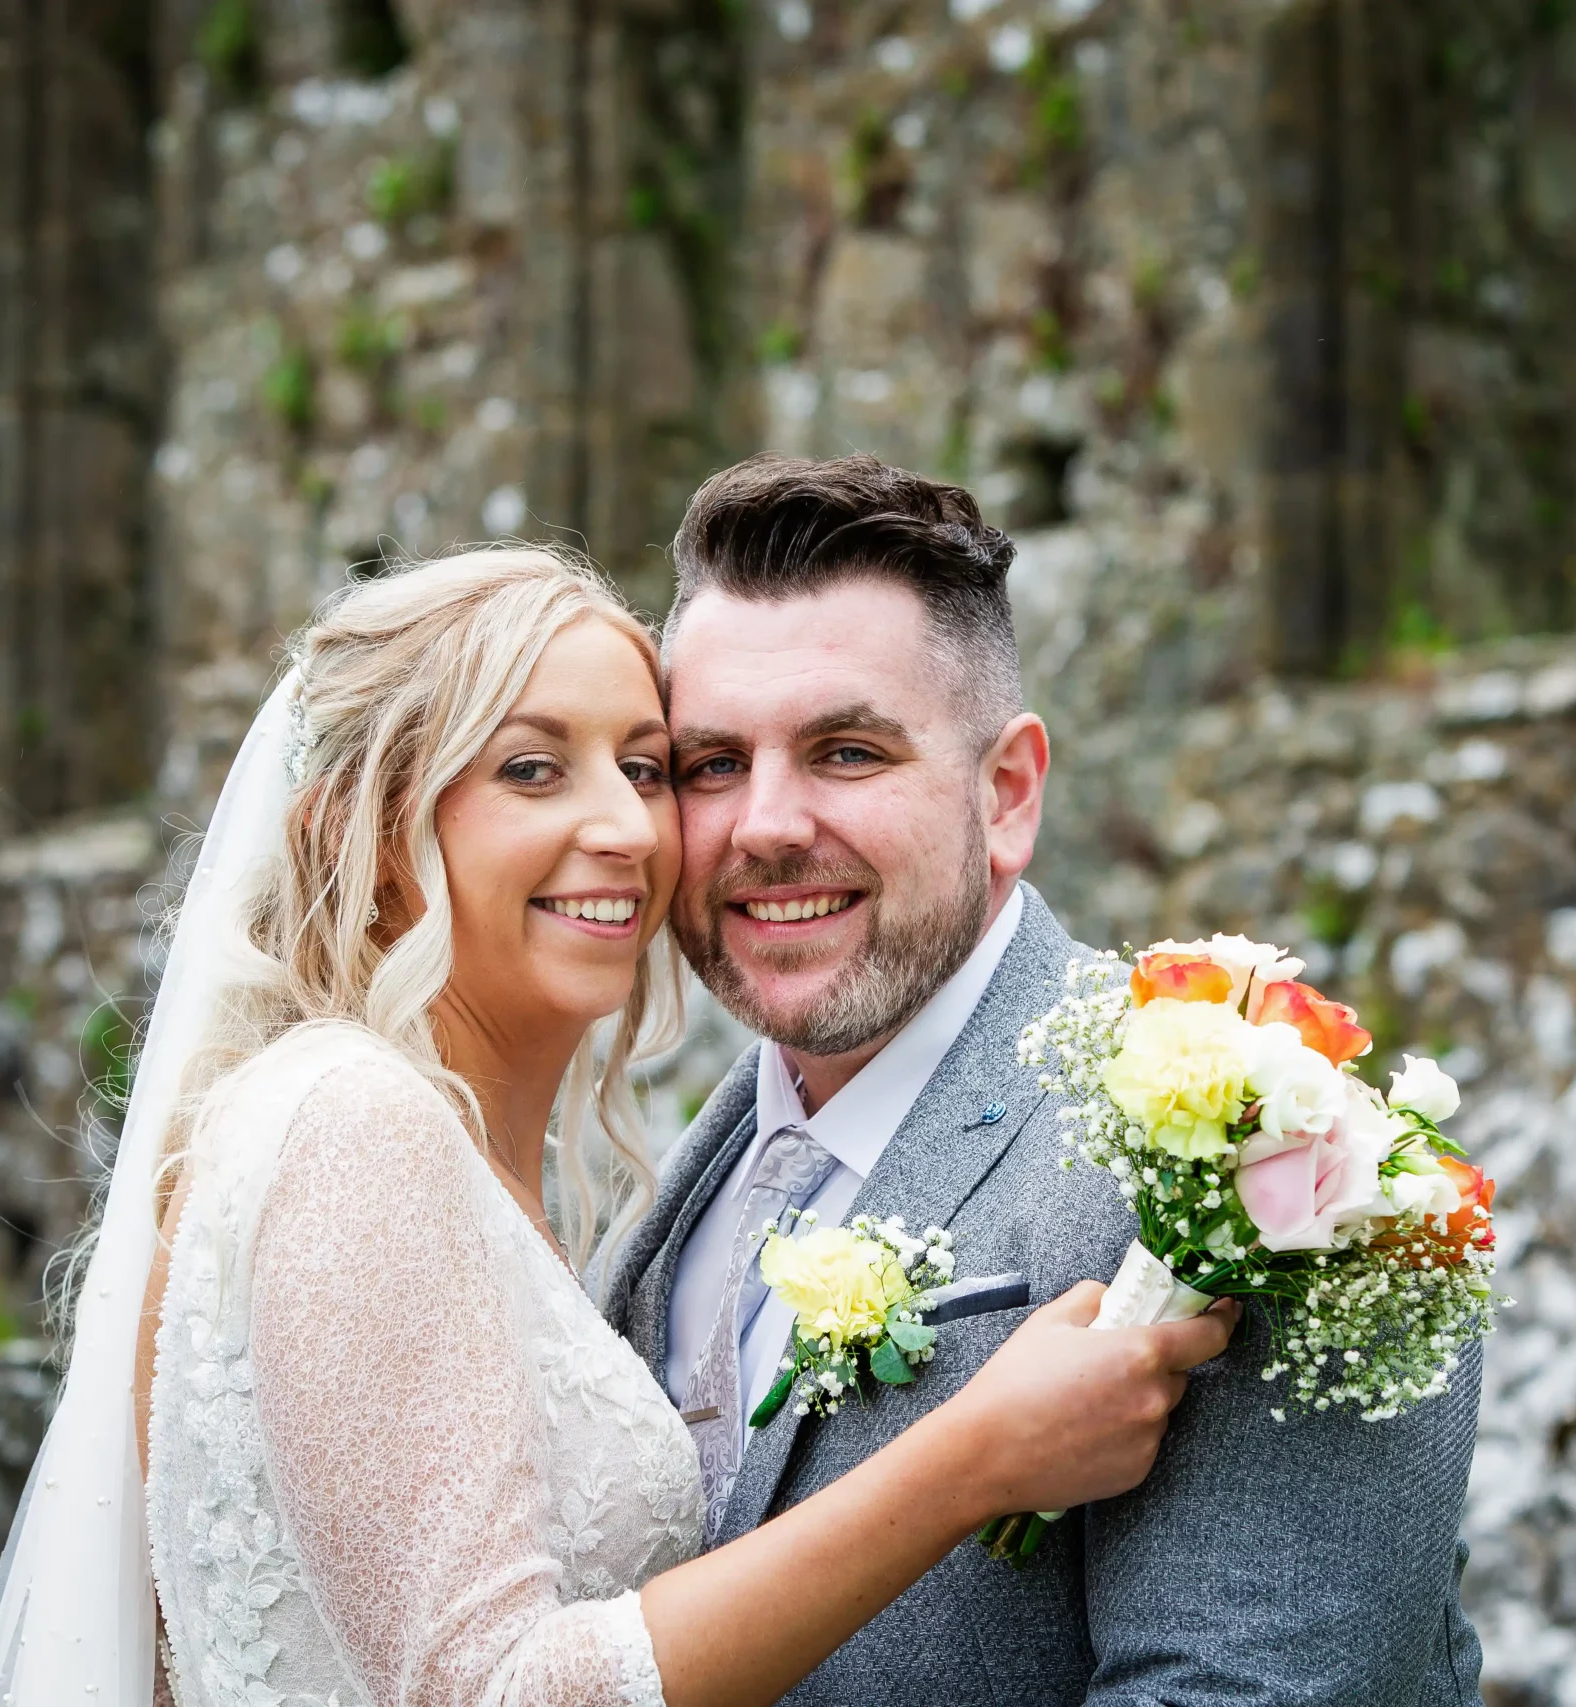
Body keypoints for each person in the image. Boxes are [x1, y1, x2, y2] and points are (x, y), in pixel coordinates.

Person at [0, 546, 1239, 1707]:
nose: (628, 827)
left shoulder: (512, 1172)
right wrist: (969, 1459)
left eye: (642, 767)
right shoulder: (352, 1123)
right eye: (531, 767)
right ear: (366, 832)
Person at [604, 454, 1486, 1705]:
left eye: (846, 752)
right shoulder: (677, 1171)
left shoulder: (1274, 1169)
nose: (764, 825)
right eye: (709, 765)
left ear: (1006, 793)